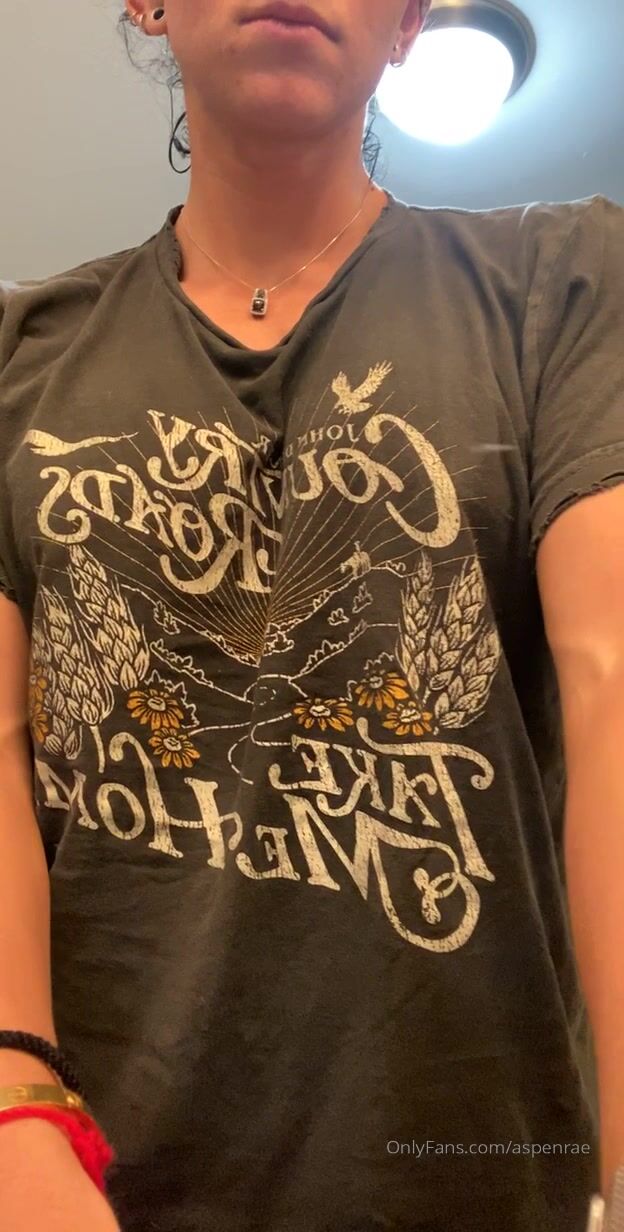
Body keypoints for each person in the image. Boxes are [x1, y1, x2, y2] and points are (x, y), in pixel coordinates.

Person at [0, 1, 623, 1229]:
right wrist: (18, 1112)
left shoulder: (561, 283)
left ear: (407, 23)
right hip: (95, 1182)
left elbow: (612, 683)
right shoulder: (18, 353)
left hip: (476, 1175)